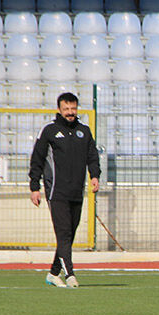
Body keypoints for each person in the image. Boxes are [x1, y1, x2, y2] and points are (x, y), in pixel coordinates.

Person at [29, 92, 100, 288]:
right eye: (66, 109)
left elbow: (92, 156)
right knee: (63, 233)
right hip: (56, 191)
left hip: (77, 190)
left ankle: (53, 273)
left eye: (73, 109)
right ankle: (70, 275)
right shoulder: (49, 130)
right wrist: (34, 186)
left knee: (69, 234)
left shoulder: (84, 131)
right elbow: (37, 159)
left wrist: (95, 175)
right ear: (59, 109)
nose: (70, 112)